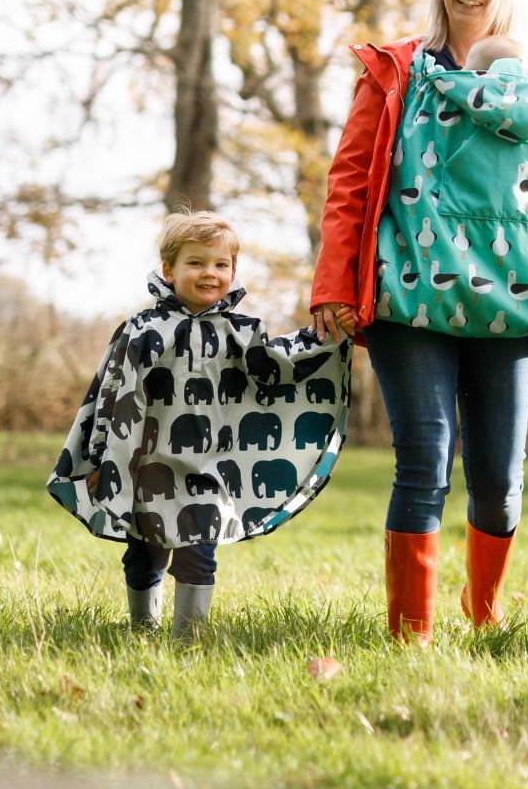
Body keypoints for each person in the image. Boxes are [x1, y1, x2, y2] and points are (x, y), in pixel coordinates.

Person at [310, 0, 528, 642]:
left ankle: (484, 620)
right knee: (423, 463)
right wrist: (332, 283)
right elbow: (349, 183)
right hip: (409, 300)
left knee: (500, 480)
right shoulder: (395, 70)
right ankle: (409, 634)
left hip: (510, 303)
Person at [47, 210, 351, 638]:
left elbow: (277, 366)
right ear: (169, 270)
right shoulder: (142, 331)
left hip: (211, 468)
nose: (210, 273)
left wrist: (327, 335)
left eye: (220, 264)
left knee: (198, 553)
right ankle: (143, 626)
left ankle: (188, 638)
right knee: (145, 552)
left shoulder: (242, 331)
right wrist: (100, 460)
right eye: (196, 263)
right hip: (147, 466)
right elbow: (110, 398)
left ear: (233, 270)